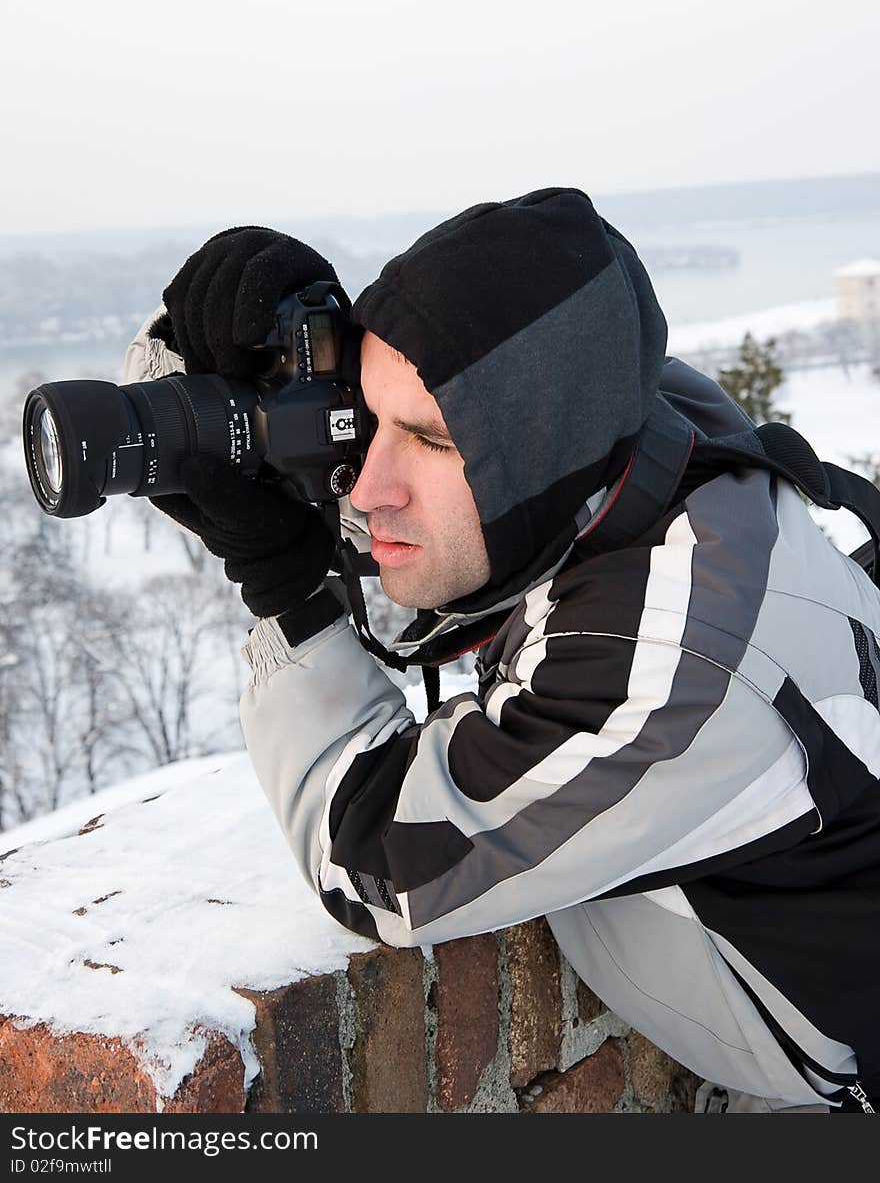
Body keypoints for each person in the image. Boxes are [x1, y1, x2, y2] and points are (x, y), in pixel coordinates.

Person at [124, 188, 880, 1114]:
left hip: (817, 1066)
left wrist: (284, 586)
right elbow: (458, 509)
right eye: (367, 413)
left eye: (430, 440)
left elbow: (372, 864)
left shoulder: (665, 670)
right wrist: (225, 348)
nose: (367, 485)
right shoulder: (627, 424)